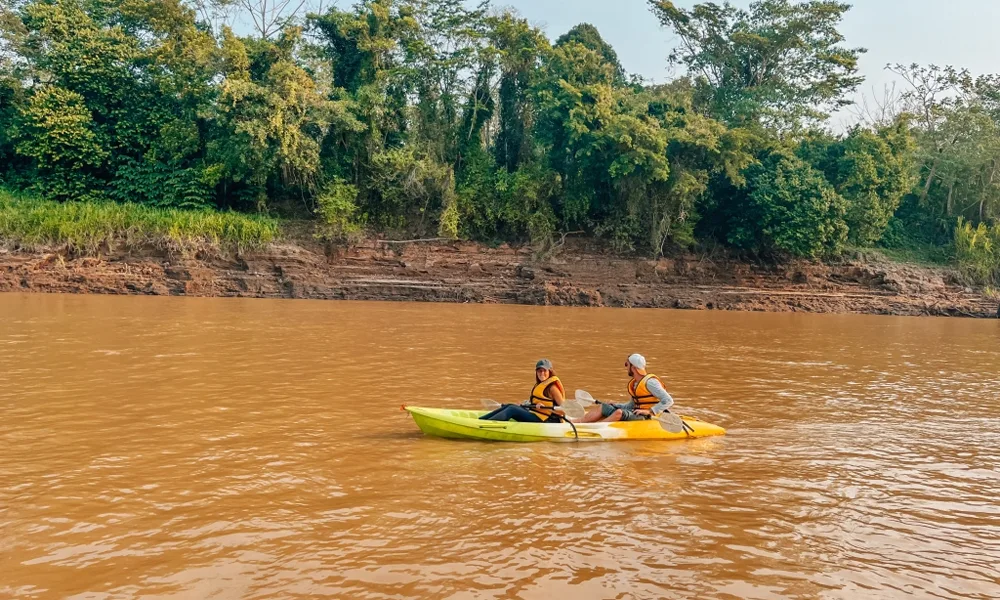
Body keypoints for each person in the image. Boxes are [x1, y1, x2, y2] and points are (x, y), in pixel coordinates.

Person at [575, 353, 674, 423]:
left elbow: (668, 400)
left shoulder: (650, 382)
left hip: (647, 416)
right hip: (636, 412)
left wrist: (650, 411)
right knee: (604, 407)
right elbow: (630, 406)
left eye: (627, 364)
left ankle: (595, 428)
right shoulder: (635, 383)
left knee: (619, 413)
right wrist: (616, 405)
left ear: (633, 368)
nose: (626, 367)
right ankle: (576, 422)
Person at [480, 359, 566, 422]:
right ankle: (481, 420)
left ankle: (489, 424)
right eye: (539, 371)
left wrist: (545, 407)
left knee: (512, 409)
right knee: (510, 406)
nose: (542, 373)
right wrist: (526, 404)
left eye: (544, 371)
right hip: (536, 413)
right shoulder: (540, 385)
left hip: (545, 419)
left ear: (550, 372)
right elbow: (536, 400)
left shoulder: (552, 388)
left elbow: (564, 408)